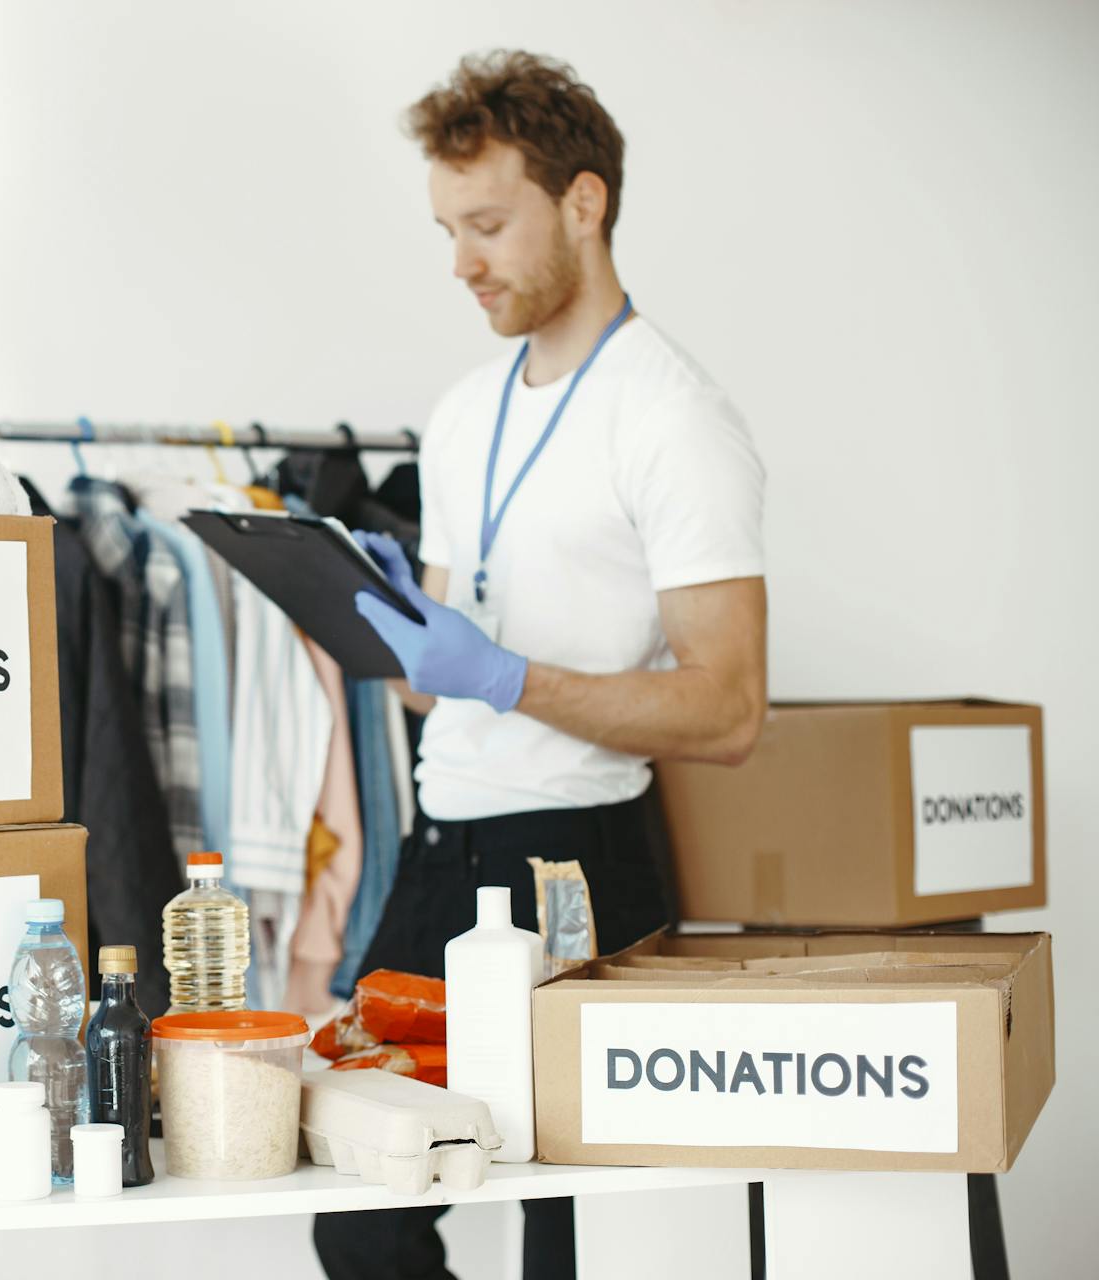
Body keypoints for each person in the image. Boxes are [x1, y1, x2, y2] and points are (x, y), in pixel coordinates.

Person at [311, 50, 767, 1280]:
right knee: (361, 1203)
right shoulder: (464, 413)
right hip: (439, 844)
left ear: (583, 202)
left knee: (565, 1225)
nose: (463, 261)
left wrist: (509, 676)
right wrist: (376, 630)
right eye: (448, 229)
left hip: (575, 857)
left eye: (489, 224)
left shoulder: (673, 419)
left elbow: (729, 709)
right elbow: (444, 669)